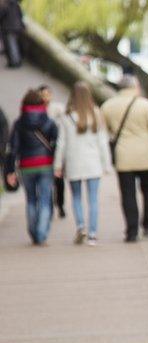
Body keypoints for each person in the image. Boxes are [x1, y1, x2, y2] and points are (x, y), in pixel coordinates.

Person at [102, 75, 148, 242]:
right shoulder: (146, 106)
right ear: (135, 87)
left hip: (123, 155)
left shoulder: (108, 106)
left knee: (127, 194)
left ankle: (131, 230)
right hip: (145, 154)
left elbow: (104, 132)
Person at [54, 82, 113, 246]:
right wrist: (106, 164)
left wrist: (58, 165)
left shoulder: (66, 116)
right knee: (93, 199)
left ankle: (81, 226)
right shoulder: (96, 114)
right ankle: (93, 234)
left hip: (74, 163)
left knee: (76, 197)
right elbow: (103, 142)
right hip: (93, 163)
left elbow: (61, 143)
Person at [5, 89, 58, 245]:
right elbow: (56, 145)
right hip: (45, 164)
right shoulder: (49, 123)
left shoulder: (19, 124)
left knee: (31, 200)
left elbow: (12, 148)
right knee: (45, 198)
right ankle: (41, 233)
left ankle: (34, 232)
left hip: (26, 166)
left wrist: (9, 171)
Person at [38, 84, 67, 218]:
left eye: (48, 94)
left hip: (56, 147)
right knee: (46, 181)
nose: (46, 97)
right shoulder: (36, 110)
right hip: (42, 149)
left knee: (59, 180)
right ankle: (48, 206)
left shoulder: (58, 108)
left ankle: (60, 204)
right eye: (43, 95)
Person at [0, 0, 24, 68]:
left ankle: (15, 62)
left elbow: (1, 15)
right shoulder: (16, 4)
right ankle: (16, 61)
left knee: (12, 45)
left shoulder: (5, 5)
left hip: (9, 27)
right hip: (16, 26)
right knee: (14, 44)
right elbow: (21, 14)